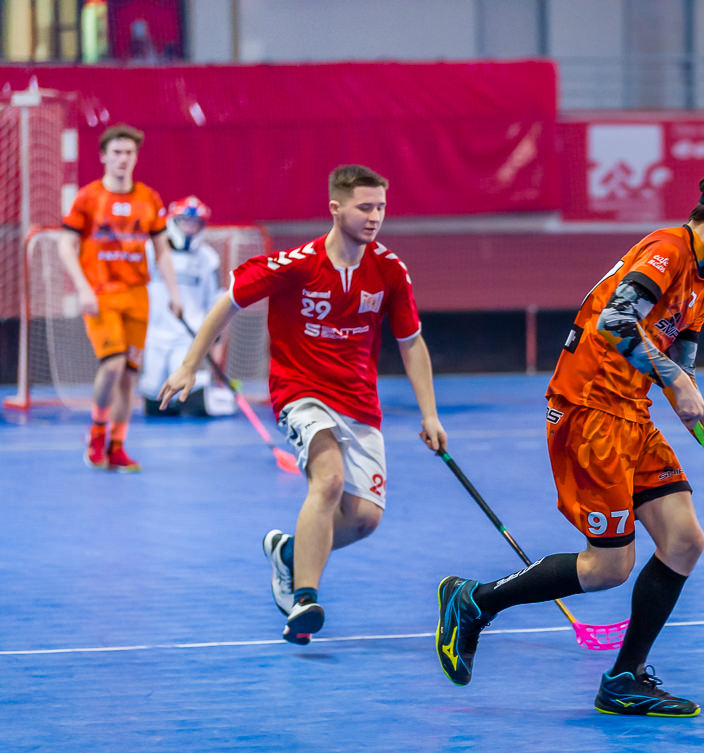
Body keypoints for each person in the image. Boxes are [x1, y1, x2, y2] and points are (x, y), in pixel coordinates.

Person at [434, 169, 704, 717]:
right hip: (588, 412)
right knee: (608, 567)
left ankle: (624, 679)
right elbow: (615, 322)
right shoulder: (667, 250)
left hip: (631, 413)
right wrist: (674, 380)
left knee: (685, 540)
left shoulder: (702, 286)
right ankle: (475, 600)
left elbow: (681, 374)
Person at [158, 165, 448, 644]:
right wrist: (191, 365)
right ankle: (304, 598)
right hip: (301, 391)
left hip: (359, 401)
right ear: (336, 208)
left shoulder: (390, 271)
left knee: (365, 519)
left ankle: (290, 554)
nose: (375, 217)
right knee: (328, 479)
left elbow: (411, 342)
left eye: (380, 207)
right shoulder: (298, 264)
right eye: (364, 207)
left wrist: (429, 414)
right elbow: (229, 300)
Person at [60, 124, 183, 471]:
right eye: (116, 152)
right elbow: (65, 245)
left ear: (136, 157)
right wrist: (82, 287)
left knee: (130, 376)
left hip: (137, 295)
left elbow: (162, 250)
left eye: (129, 152)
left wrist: (174, 293)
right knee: (112, 365)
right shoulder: (88, 197)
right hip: (101, 295)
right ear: (103, 156)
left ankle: (116, 446)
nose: (123, 159)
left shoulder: (149, 198)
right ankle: (97, 433)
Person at [139, 195, 235, 418]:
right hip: (154, 336)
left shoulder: (208, 259)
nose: (190, 228)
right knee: (154, 403)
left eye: (196, 223)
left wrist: (216, 342)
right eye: (185, 222)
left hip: (188, 337)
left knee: (190, 401)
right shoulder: (151, 251)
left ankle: (210, 397)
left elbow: (217, 303)